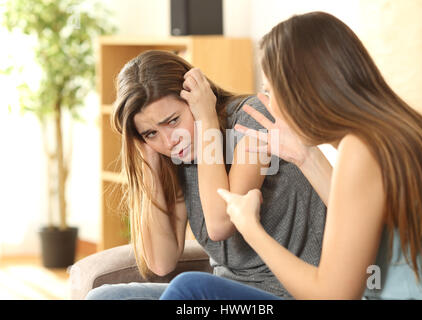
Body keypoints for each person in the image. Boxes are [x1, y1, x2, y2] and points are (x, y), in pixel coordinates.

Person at [159, 12, 422, 300]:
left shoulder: (361, 149)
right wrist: (304, 156)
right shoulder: (400, 132)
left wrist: (251, 229)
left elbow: (332, 294)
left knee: (189, 290)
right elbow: (374, 222)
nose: (269, 106)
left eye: (271, 93)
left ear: (302, 92)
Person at [85, 50, 328, 299]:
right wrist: (150, 163)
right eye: (151, 133)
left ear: (196, 99)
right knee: (103, 297)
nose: (170, 141)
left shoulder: (252, 120)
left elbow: (221, 223)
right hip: (227, 294)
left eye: (172, 120)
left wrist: (207, 121)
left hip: (287, 294)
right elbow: (161, 262)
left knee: (188, 287)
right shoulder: (175, 155)